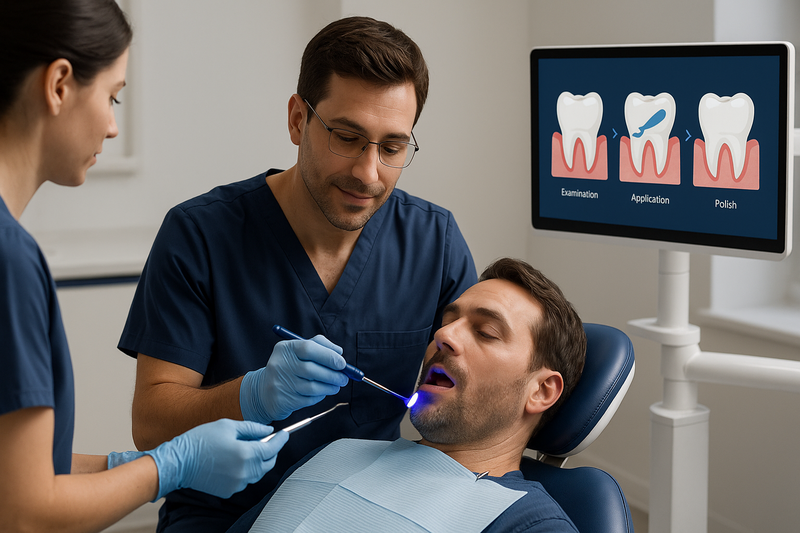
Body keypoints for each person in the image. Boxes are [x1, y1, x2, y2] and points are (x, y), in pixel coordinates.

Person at [117, 15, 477, 532]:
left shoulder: (433, 241)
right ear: (296, 120)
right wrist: (252, 395)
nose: (367, 172)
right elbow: (150, 425)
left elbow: (471, 391)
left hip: (364, 513)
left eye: (392, 148)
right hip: (223, 516)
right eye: (346, 137)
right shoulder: (199, 235)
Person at [0, 2, 288, 531]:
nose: (112, 127)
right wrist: (167, 468)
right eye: (111, 97)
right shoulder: (11, 261)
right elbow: (22, 512)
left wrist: (122, 469)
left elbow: (9, 471)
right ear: (60, 84)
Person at [226, 257, 587, 532]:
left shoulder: (528, 522)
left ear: (541, 390)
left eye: (486, 332)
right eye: (448, 322)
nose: (443, 337)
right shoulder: (338, 451)